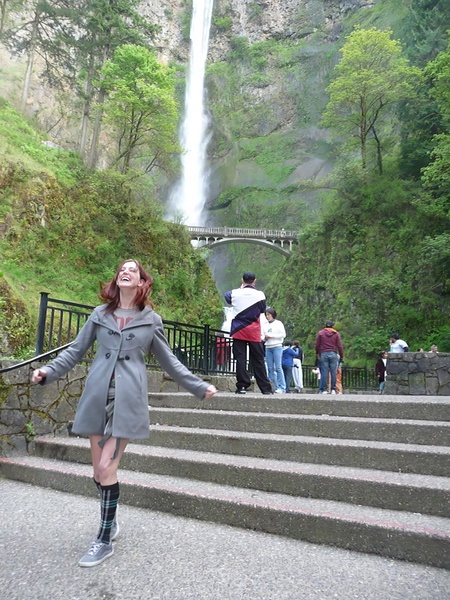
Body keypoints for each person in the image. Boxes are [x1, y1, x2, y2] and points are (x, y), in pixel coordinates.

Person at [31, 259, 217, 568]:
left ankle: (103, 540)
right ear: (116, 279)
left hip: (127, 400)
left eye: (132, 269)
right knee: (98, 473)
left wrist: (198, 386)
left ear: (142, 280)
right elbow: (76, 350)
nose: (125, 271)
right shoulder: (100, 314)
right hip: (96, 395)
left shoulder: (151, 320)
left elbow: (169, 361)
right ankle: (111, 519)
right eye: (122, 269)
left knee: (106, 468)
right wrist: (48, 371)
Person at [224, 271, 272, 395]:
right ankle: (265, 389)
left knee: (240, 359)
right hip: (254, 331)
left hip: (238, 331)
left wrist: (241, 288)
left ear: (242, 280)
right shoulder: (260, 295)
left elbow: (227, 296)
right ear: (254, 281)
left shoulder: (234, 293)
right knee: (258, 359)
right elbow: (262, 310)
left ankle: (242, 386)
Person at [315, 320, 344, 394]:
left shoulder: (321, 333)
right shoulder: (336, 334)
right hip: (333, 353)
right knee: (333, 371)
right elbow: (339, 346)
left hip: (324, 353)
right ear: (332, 326)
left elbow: (317, 345)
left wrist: (317, 353)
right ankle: (333, 389)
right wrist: (341, 356)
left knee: (324, 372)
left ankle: (324, 390)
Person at [263, 307, 287, 393]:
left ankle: (282, 387)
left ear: (272, 314)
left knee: (278, 367)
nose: (267, 316)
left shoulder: (278, 323)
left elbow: (283, 335)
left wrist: (272, 336)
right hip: (268, 347)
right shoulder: (265, 325)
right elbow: (262, 336)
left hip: (277, 346)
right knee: (270, 368)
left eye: (268, 314)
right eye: (266, 315)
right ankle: (274, 386)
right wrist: (265, 338)